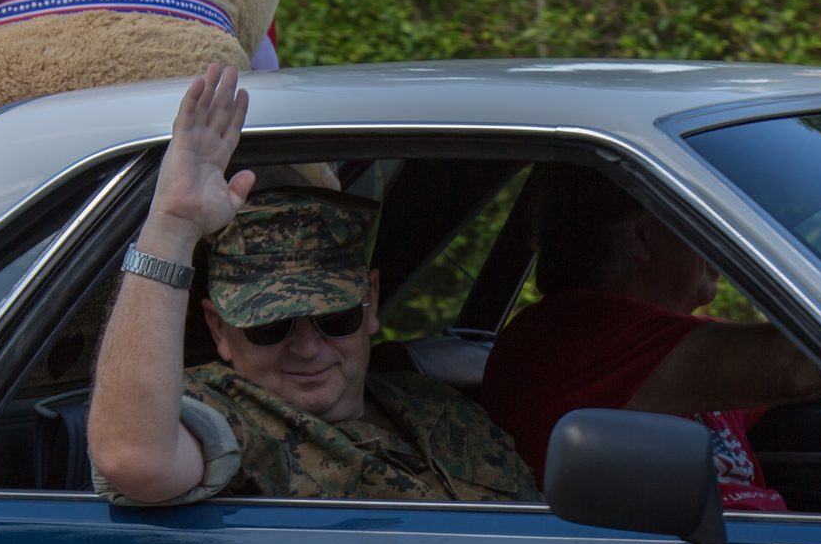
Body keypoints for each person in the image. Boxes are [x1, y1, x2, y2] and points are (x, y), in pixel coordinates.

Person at [87, 65, 537, 505]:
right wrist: (174, 224)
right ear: (220, 330)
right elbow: (134, 458)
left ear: (370, 301)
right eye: (270, 327)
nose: (307, 348)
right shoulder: (230, 415)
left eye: (334, 317)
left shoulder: (436, 405)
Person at [481, 166, 821, 506]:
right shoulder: (569, 336)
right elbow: (795, 365)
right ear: (642, 236)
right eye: (702, 222)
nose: (722, 240)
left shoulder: (671, 341)